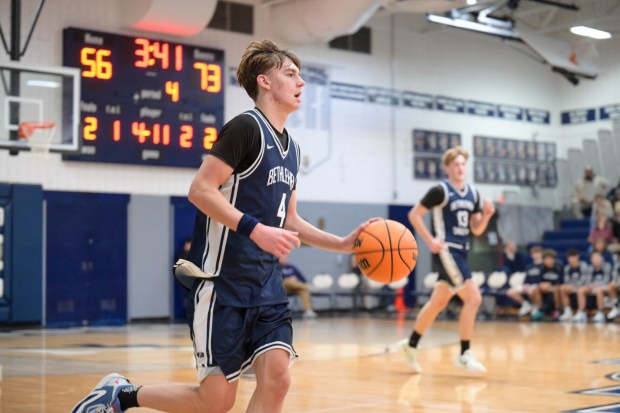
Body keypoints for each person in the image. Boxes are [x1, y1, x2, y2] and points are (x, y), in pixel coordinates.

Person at [72, 39, 374, 413]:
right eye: (291, 73)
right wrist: (254, 229)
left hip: (267, 286)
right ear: (264, 81)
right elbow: (200, 190)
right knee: (215, 402)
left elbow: (289, 218)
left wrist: (343, 244)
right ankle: (122, 395)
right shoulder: (245, 128)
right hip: (222, 282)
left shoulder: (293, 149)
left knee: (278, 379)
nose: (301, 82)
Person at [398, 146, 495, 373]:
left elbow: (477, 230)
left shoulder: (474, 194)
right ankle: (464, 353)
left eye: (463, 164)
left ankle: (411, 345)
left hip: (462, 250)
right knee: (474, 298)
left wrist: (488, 215)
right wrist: (430, 240)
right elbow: (414, 214)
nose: (460, 168)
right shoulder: (440, 191)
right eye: (456, 165)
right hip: (447, 250)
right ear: (447, 168)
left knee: (438, 303)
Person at [572, 251, 612, 323]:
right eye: (594, 258)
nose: (596, 259)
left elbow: (607, 280)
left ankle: (601, 312)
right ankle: (582, 311)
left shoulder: (607, 266)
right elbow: (587, 281)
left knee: (599, 290)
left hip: (605, 287)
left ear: (601, 258)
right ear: (591, 260)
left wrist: (597, 285)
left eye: (597, 257)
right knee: (581, 290)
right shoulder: (590, 268)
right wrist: (589, 285)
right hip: (593, 288)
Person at [506, 245, 543, 317]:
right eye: (533, 254)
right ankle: (525, 305)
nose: (535, 255)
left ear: (541, 254)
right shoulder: (529, 266)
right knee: (510, 292)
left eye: (537, 253)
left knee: (533, 290)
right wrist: (525, 285)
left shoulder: (544, 266)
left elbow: (543, 278)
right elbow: (527, 278)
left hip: (537, 285)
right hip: (528, 285)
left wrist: (534, 285)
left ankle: (536, 308)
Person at [529, 249, 563, 321]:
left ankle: (557, 310)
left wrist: (551, 285)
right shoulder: (542, 268)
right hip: (546, 288)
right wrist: (542, 284)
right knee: (536, 289)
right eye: (546, 259)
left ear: (553, 259)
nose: (548, 261)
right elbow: (539, 281)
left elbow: (561, 281)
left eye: (549, 259)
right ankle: (539, 310)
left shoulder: (559, 267)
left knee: (556, 288)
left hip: (556, 287)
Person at [558, 249, 589, 322]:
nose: (571, 259)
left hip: (584, 286)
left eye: (573, 257)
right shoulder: (567, 268)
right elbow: (566, 281)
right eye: (570, 258)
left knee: (580, 290)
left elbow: (584, 280)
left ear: (577, 257)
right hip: (573, 287)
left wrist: (573, 286)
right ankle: (567, 311)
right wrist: (569, 286)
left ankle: (582, 312)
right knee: (562, 288)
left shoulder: (583, 265)